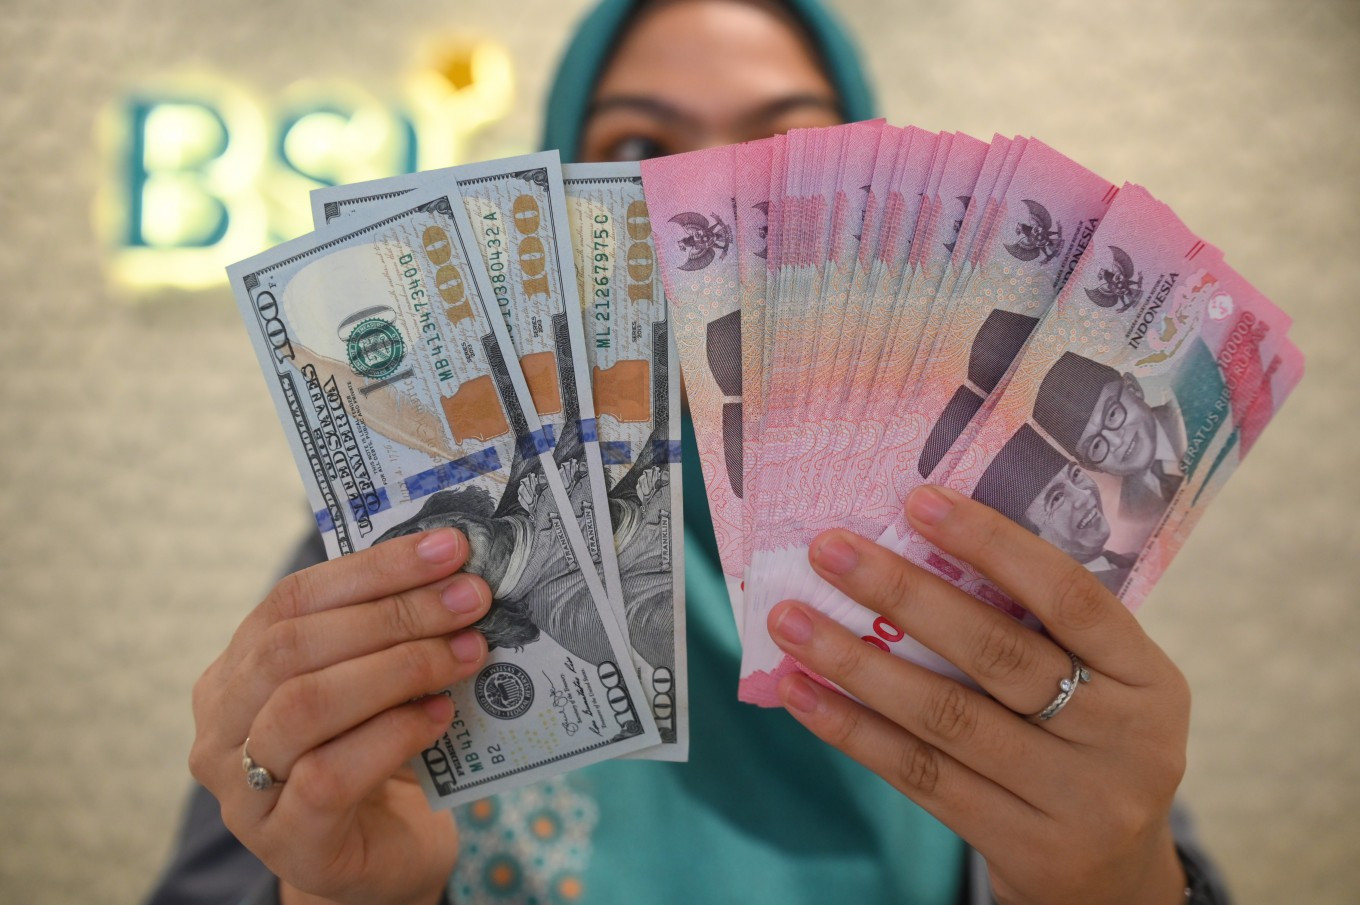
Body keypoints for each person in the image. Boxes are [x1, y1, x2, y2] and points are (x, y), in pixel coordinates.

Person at [149, 1, 1230, 904]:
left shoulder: (985, 533)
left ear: (878, 207)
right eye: (634, 149)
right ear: (559, 210)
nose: (708, 203)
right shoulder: (428, 535)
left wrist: (1118, 879)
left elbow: (1113, 843)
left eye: (785, 146)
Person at [971, 424, 1134, 594]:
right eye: (1057, 499)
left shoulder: (1126, 561)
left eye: (1076, 474)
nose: (1083, 496)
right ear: (1027, 535)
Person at [1032, 351, 1188, 520]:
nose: (1116, 441)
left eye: (1113, 414)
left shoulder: (1198, 406)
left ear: (1133, 388)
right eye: (1096, 446)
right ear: (1091, 467)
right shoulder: (1132, 516)